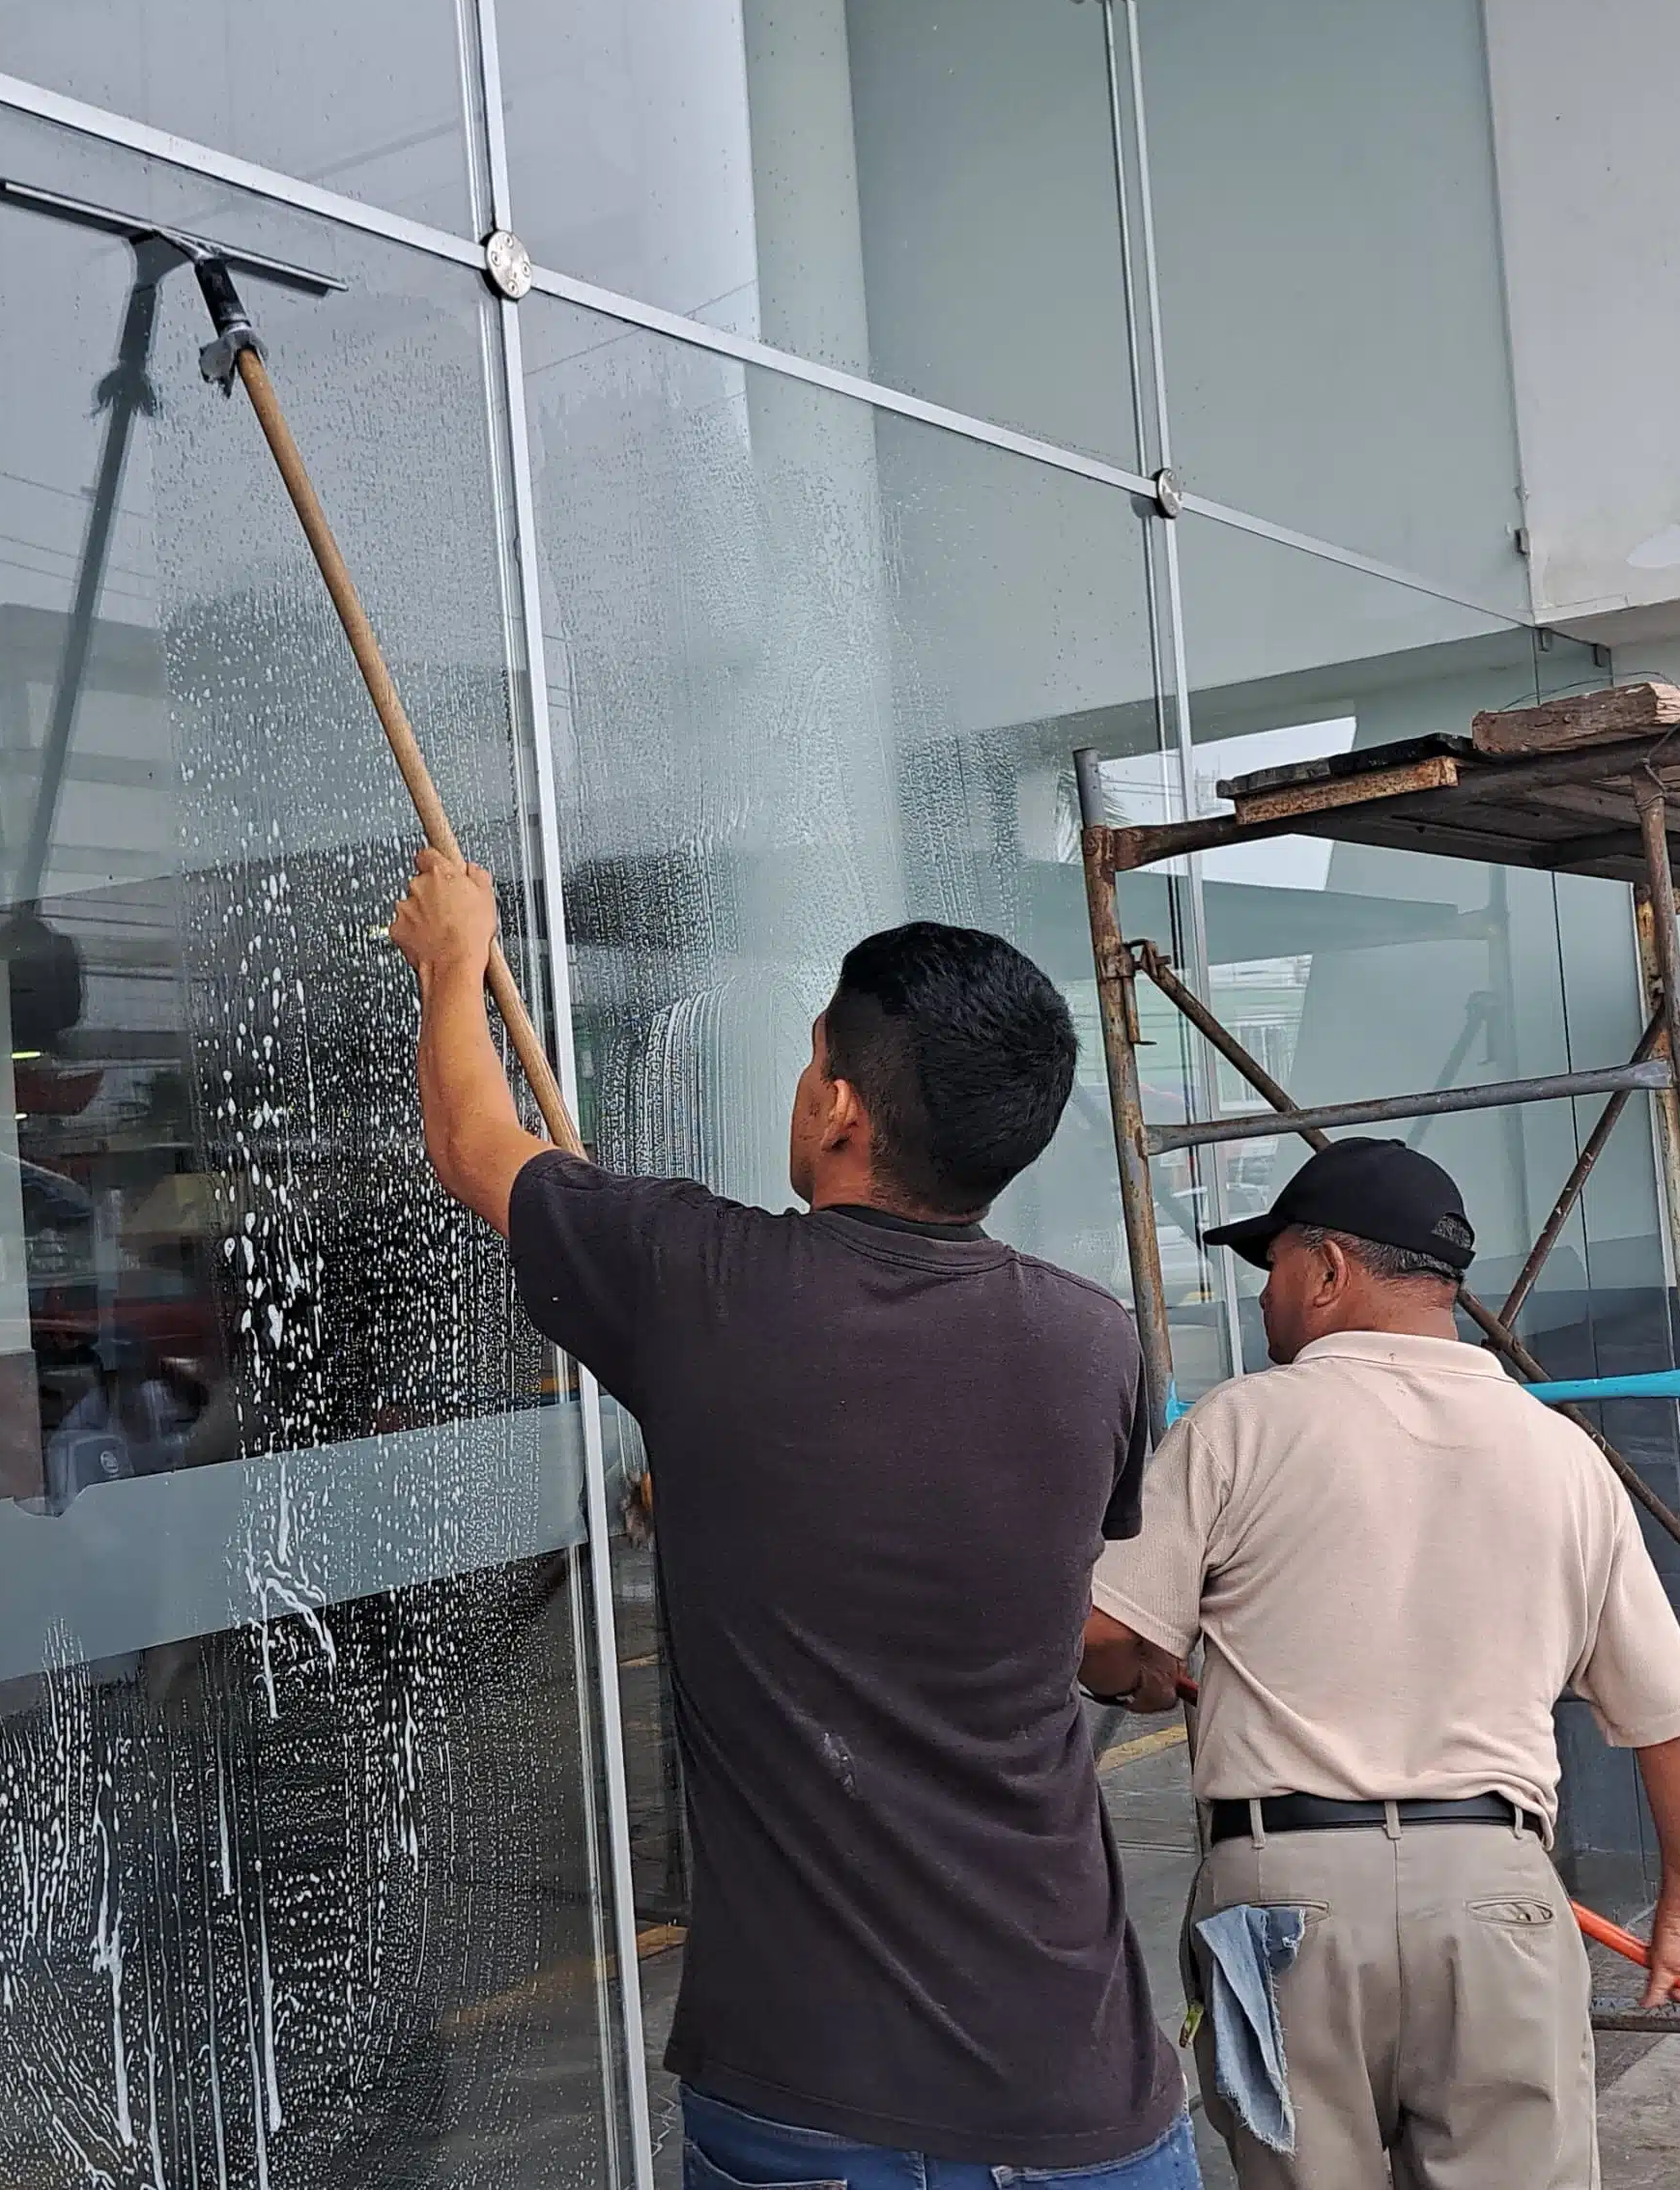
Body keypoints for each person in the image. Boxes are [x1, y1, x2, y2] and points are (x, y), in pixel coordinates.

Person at [386, 854, 1192, 2190]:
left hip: (812, 2097)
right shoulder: (1095, 1342)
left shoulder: (700, 1285)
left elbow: (474, 1138)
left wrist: (452, 958)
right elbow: (999, 1569)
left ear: (837, 1107)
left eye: (812, 1056)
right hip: (1081, 2089)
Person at [1079, 1140, 1680, 2190]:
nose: (1264, 1298)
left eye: (1274, 1268)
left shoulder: (1240, 1424)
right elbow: (1671, 1717)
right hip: (1496, 1898)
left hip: (1283, 1900)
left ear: (1329, 1269)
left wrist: (1141, 1675)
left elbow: (1104, 1636)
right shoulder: (1562, 1453)